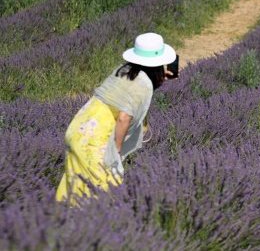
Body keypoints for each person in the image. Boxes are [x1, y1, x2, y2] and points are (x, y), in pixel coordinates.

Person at [56, 32, 178, 204]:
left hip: (79, 128)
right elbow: (124, 117)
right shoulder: (143, 83)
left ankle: (63, 221)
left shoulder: (124, 70)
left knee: (76, 187)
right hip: (94, 139)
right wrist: (116, 151)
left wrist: (158, 79)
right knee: (105, 191)